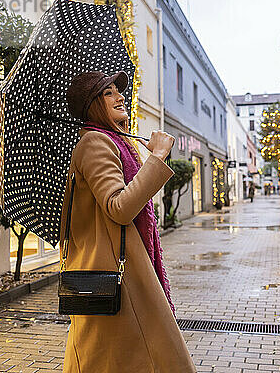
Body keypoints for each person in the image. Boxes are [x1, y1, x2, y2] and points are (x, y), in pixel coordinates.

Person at [62, 71, 196, 372]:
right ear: (93, 105)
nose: (120, 96)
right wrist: (158, 158)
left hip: (125, 267)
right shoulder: (95, 143)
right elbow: (119, 207)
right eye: (108, 93)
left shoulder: (116, 142)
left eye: (117, 90)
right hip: (115, 273)